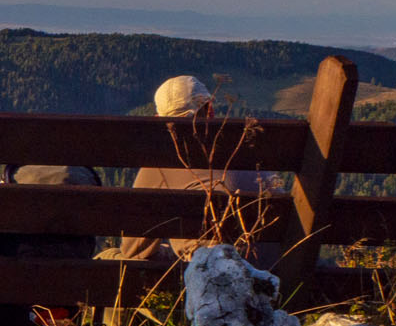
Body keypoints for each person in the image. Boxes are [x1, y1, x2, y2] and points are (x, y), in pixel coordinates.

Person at [117, 76, 285, 264]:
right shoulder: (250, 144)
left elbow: (134, 249)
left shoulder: (166, 155)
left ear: (159, 120)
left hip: (214, 272)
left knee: (111, 257)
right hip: (279, 268)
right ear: (211, 110)